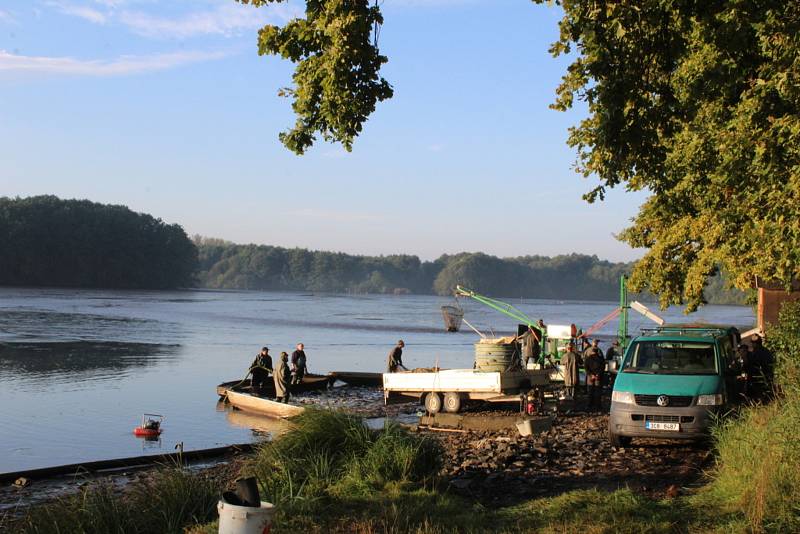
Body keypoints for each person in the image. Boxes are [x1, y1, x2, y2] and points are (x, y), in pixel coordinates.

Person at [584, 340, 606, 412]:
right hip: (598, 377)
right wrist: (597, 375)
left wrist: (591, 375)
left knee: (590, 391)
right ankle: (598, 406)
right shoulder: (600, 358)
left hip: (590, 377)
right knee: (598, 391)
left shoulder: (587, 357)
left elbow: (586, 367)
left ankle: (589, 405)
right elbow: (603, 367)